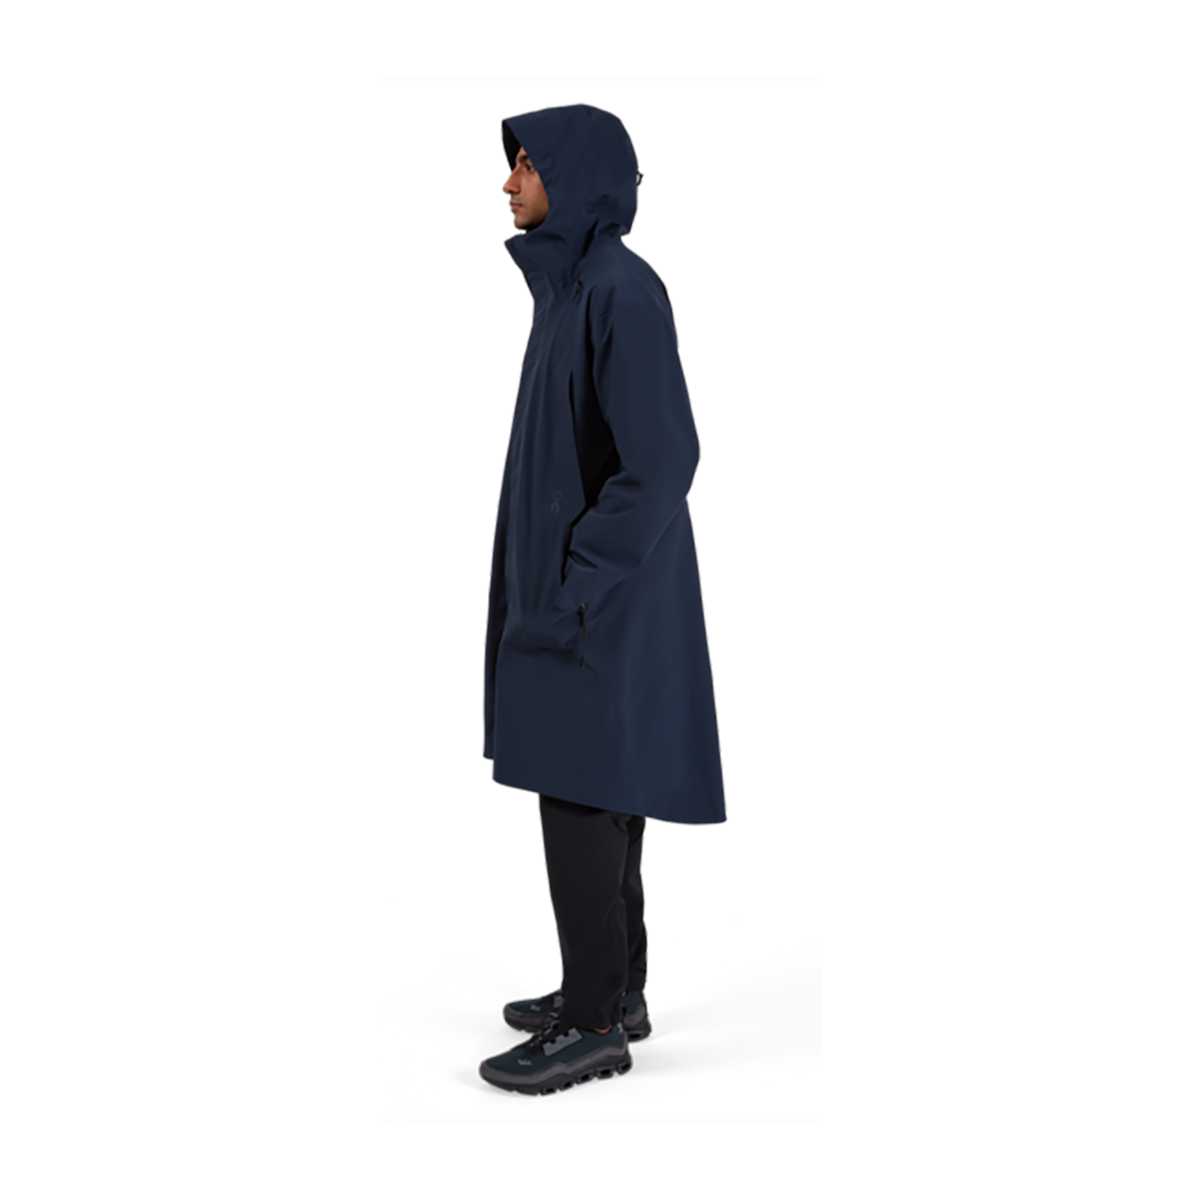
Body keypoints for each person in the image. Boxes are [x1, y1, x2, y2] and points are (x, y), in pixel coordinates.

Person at [477, 103, 727, 1098]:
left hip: (595, 606)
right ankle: (616, 992)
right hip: (579, 602)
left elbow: (662, 459)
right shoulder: (571, 292)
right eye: (512, 166)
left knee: (579, 795)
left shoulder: (619, 289)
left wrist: (576, 575)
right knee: (599, 794)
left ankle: (588, 1027)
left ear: (575, 177)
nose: (510, 183)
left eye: (529, 166)